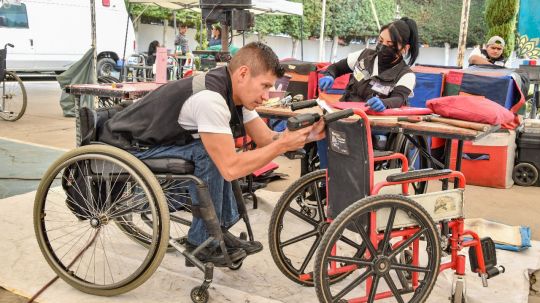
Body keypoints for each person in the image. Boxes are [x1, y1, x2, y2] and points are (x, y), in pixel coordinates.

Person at [99, 42, 325, 267]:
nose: (267, 96)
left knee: (217, 150)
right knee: (212, 154)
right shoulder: (211, 99)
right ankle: (204, 242)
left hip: (150, 141)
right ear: (243, 74)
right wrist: (283, 145)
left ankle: (218, 231)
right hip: (127, 148)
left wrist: (307, 135)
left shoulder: (235, 92)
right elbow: (231, 168)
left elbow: (266, 139)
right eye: (265, 86)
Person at [316, 17, 419, 167]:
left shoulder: (406, 75)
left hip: (375, 122)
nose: (383, 46)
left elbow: (398, 98)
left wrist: (384, 103)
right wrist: (329, 75)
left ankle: (344, 177)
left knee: (345, 132)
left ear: (404, 48)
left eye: (390, 44)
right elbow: (336, 68)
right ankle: (325, 178)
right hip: (346, 113)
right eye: (380, 40)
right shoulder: (363, 57)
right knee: (320, 127)